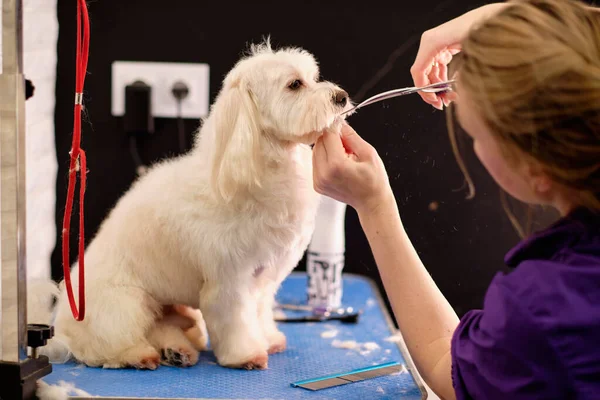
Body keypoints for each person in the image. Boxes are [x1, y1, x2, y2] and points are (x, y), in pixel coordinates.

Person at [312, 0, 600, 398]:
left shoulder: (551, 306)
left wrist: (375, 206)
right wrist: (506, 22)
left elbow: (449, 368)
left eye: (477, 136)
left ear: (537, 172)